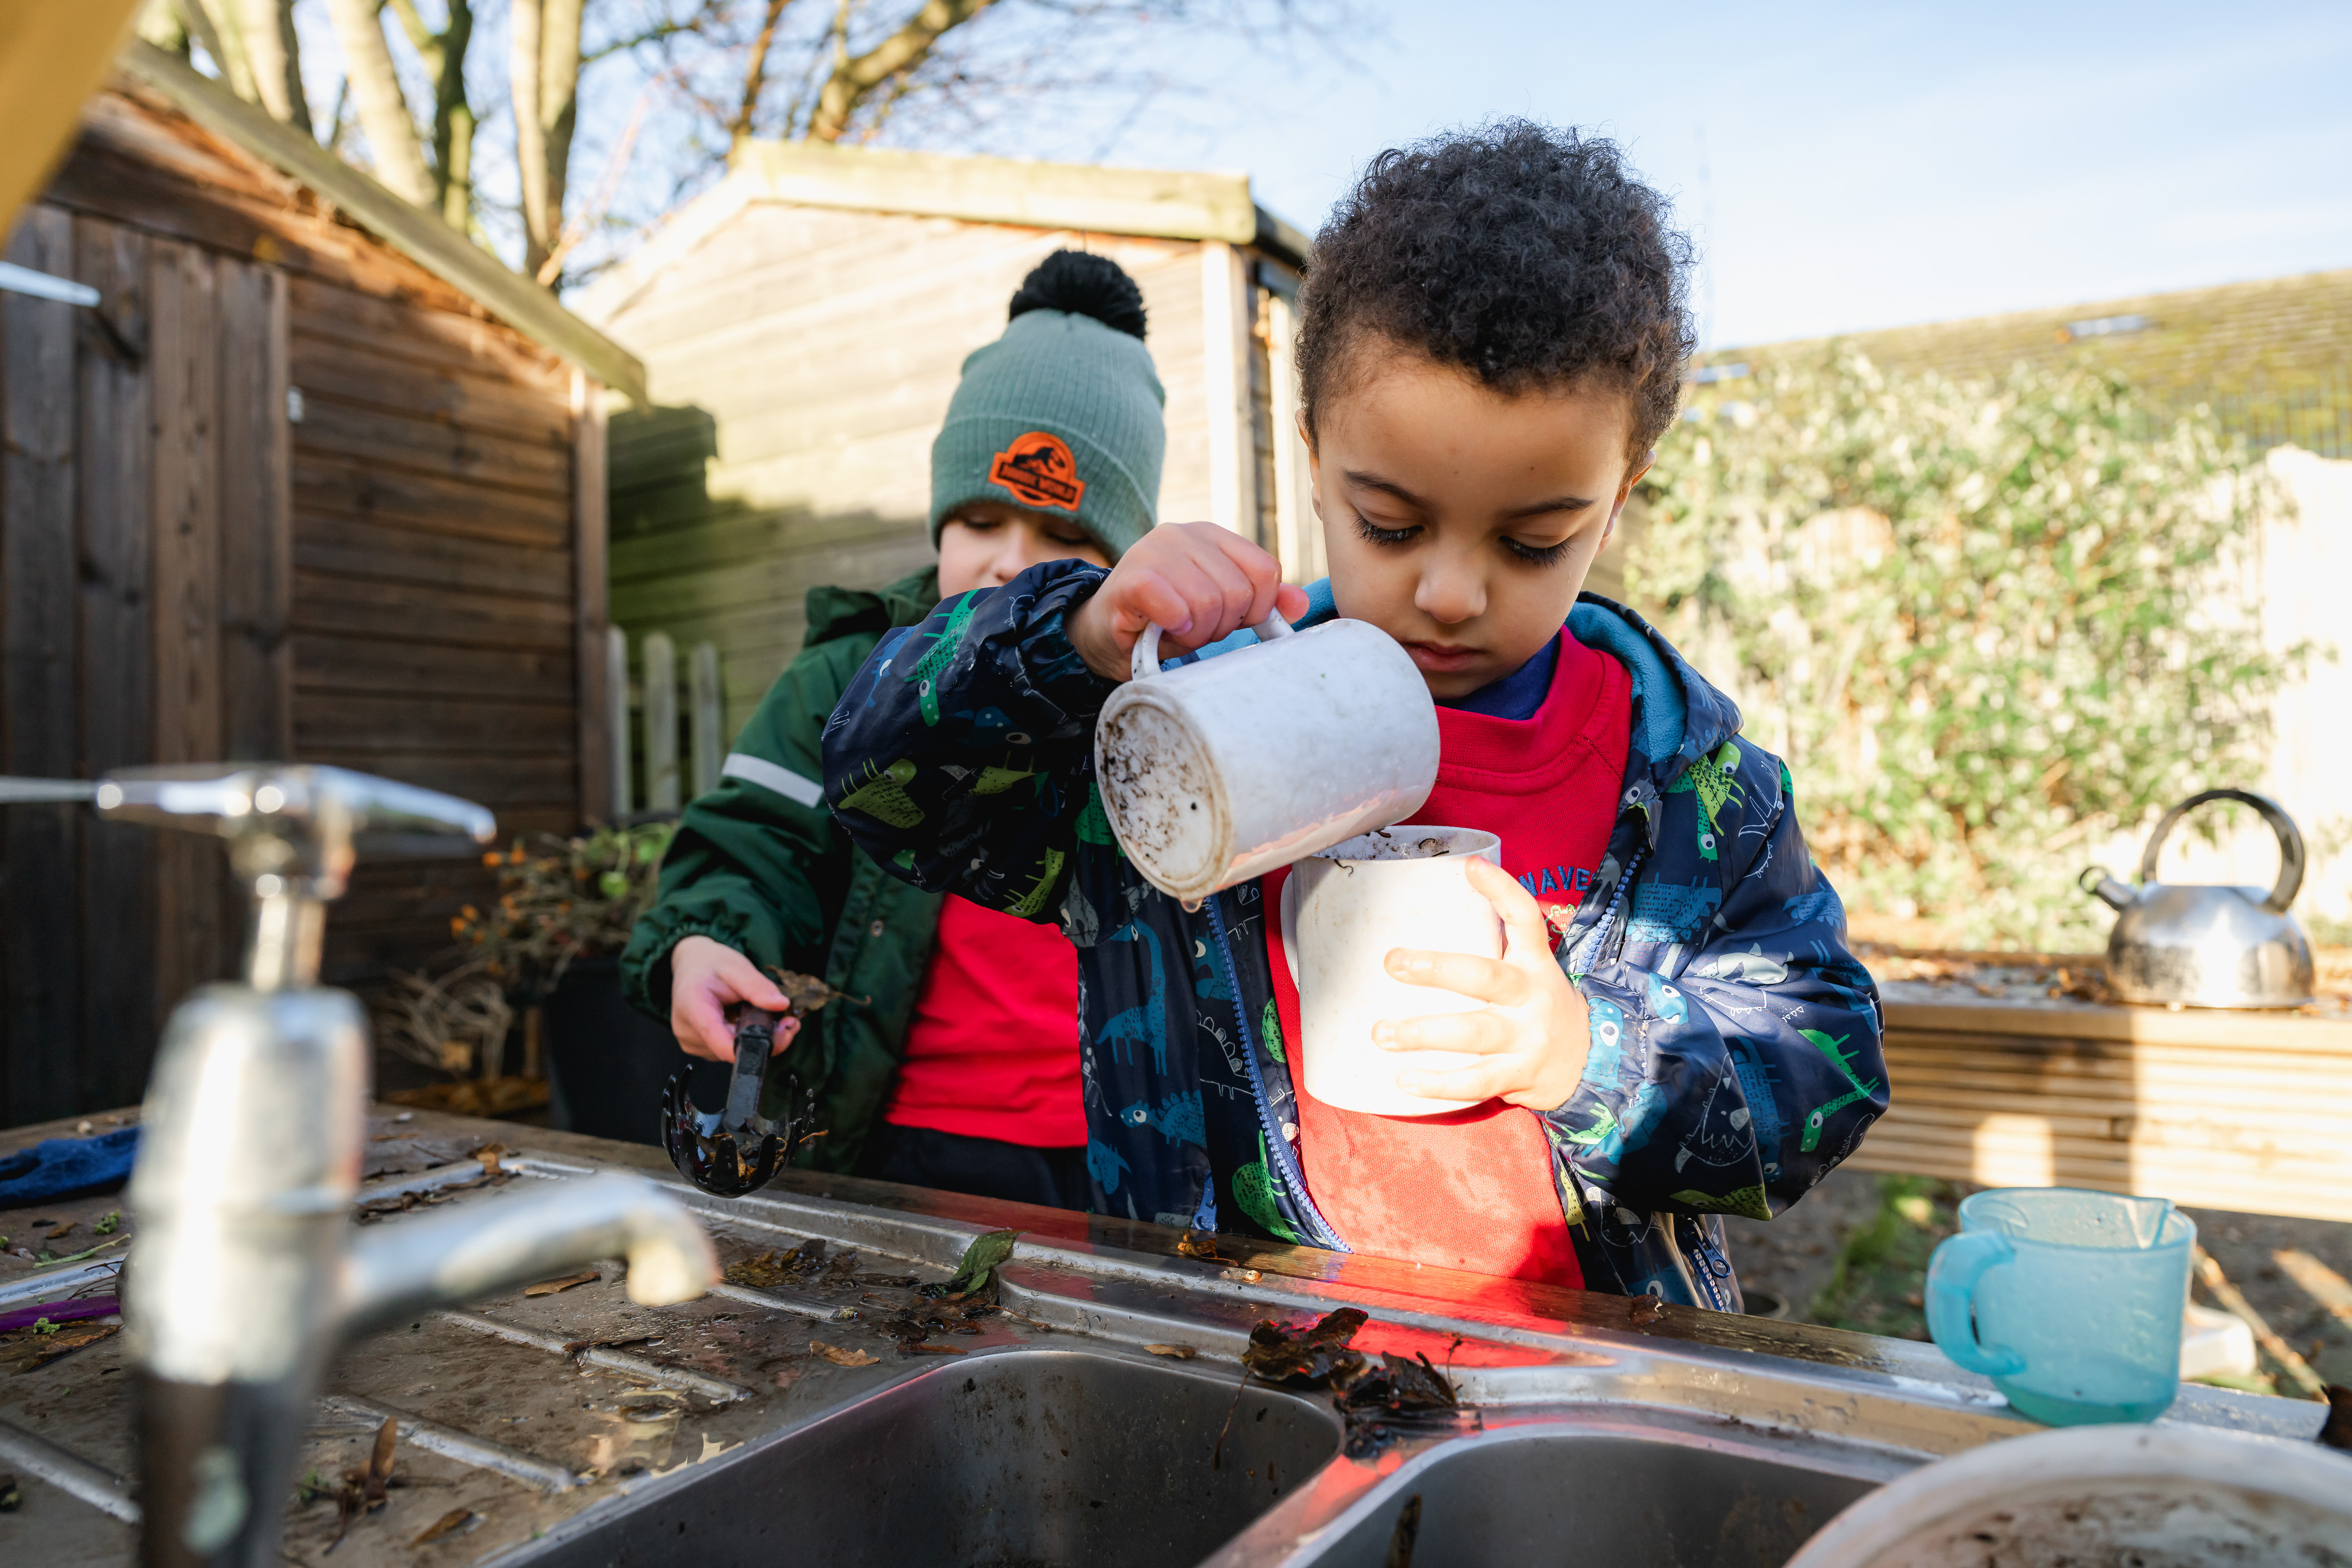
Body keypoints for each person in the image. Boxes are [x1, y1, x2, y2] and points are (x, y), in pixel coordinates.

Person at [820, 123, 1887, 1306]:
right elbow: (882, 786)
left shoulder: (1692, 788)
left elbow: (1824, 1077)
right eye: (1389, 522)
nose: (1450, 591)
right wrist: (1073, 639)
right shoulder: (1190, 726)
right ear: (1317, 455)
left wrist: (1583, 1055)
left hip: (1584, 1382)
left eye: (1534, 542)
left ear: (1617, 493)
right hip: (1243, 1363)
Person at [620, 250, 1168, 1210]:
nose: (1010, 563)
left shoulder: (1162, 696)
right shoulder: (847, 672)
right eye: (981, 518)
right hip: (895, 1136)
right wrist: (703, 937)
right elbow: (756, 837)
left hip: (1121, 1140)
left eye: (1066, 541)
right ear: (939, 521)